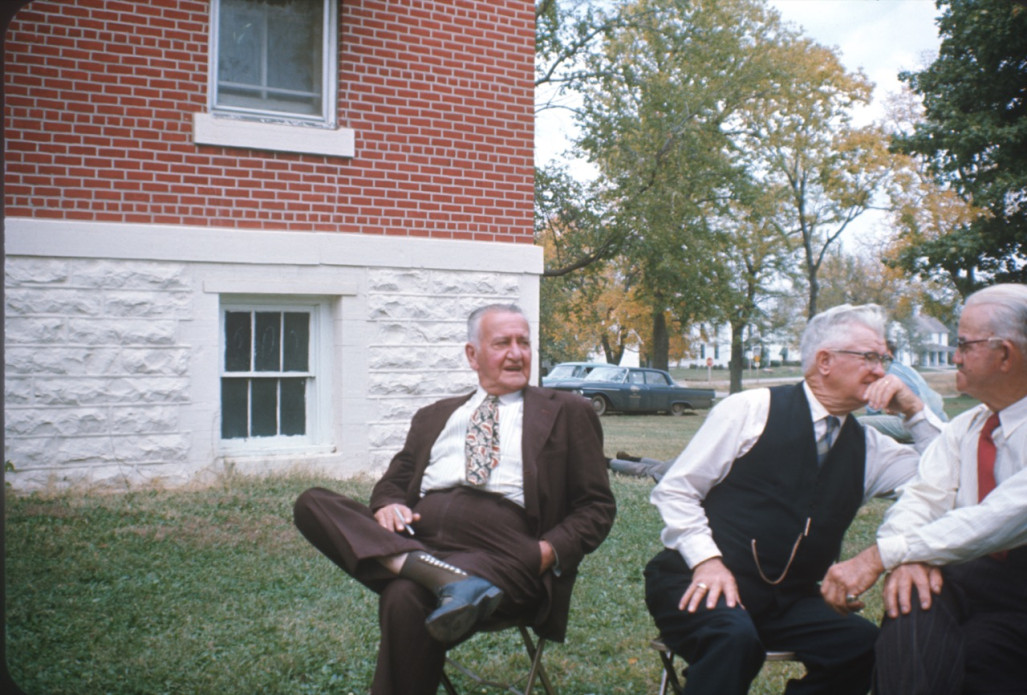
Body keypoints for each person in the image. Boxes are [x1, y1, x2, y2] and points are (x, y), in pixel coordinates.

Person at [293, 303, 616, 695]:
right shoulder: (434, 415)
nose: (517, 353)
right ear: (472, 354)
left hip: (503, 552)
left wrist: (546, 552)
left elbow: (597, 506)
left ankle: (433, 576)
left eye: (524, 343)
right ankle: (443, 579)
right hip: (420, 537)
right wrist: (387, 505)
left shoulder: (567, 411)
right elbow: (393, 480)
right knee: (313, 501)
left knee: (403, 596)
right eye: (502, 343)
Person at [644, 303, 944, 695]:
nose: (880, 370)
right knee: (734, 641)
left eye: (884, 359)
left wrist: (915, 411)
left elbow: (949, 477)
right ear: (825, 361)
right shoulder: (752, 409)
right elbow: (677, 490)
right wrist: (707, 562)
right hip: (696, 582)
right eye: (870, 357)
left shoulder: (871, 448)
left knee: (864, 646)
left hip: (787, 600)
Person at [820, 284, 1027, 695]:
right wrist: (909, 557)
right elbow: (920, 497)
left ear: (1005, 354)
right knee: (913, 598)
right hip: (969, 575)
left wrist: (886, 555)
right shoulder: (968, 427)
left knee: (976, 658)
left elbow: (1003, 515)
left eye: (965, 345)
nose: (955, 357)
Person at [861, 340, 949, 442]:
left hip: (920, 421)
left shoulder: (885, 371)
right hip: (939, 419)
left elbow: (873, 410)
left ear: (888, 352)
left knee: (860, 423)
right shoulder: (907, 369)